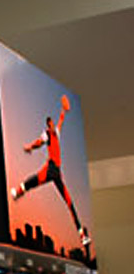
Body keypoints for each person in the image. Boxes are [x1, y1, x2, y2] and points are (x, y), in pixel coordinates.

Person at [11, 95, 89, 247]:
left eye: (53, 124)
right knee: (33, 181)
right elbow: (39, 143)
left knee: (69, 202)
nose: (53, 126)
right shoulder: (47, 134)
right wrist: (30, 147)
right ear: (47, 126)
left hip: (57, 172)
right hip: (50, 168)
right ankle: (18, 191)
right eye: (50, 125)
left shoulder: (56, 133)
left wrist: (63, 110)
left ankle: (82, 236)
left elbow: (61, 120)